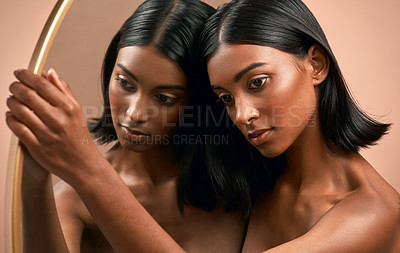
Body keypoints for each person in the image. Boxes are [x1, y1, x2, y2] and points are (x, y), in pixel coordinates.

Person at [6, 0, 254, 252]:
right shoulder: (74, 200)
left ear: (201, 101)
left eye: (164, 98)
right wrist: (34, 180)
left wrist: (87, 167)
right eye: (125, 83)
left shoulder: (242, 183)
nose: (134, 113)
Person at [201, 0, 400, 252]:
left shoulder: (371, 213)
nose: (242, 115)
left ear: (316, 64)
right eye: (226, 98)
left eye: (257, 82)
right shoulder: (255, 180)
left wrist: (131, 209)